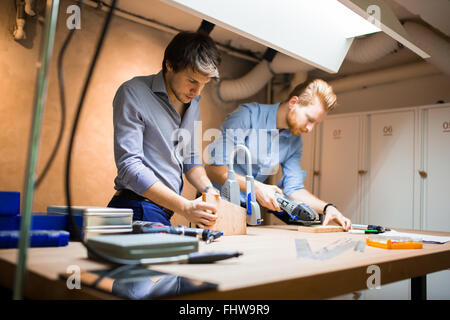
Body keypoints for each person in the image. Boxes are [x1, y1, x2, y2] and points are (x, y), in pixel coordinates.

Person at [107, 31, 221, 227]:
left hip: (163, 210)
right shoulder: (133, 92)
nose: (197, 91)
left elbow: (190, 159)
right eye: (192, 81)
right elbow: (129, 166)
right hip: (136, 206)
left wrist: (208, 189)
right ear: (169, 64)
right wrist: (185, 207)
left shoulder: (193, 103)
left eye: (204, 85)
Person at [205, 79, 352, 230]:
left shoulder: (294, 141)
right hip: (216, 203)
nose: (310, 129)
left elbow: (294, 189)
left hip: (247, 210)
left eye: (316, 124)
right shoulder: (247, 115)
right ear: (293, 103)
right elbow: (214, 169)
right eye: (309, 119)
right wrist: (256, 187)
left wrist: (328, 208)